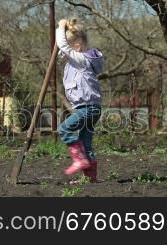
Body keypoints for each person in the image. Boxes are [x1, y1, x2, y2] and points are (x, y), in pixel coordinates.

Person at [56, 19, 103, 183]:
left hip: (88, 109)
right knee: (85, 142)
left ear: (76, 47)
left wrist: (61, 27)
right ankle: (90, 178)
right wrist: (65, 30)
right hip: (93, 108)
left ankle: (79, 160)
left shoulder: (82, 60)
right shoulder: (78, 60)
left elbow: (62, 46)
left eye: (70, 47)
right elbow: (62, 50)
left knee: (64, 129)